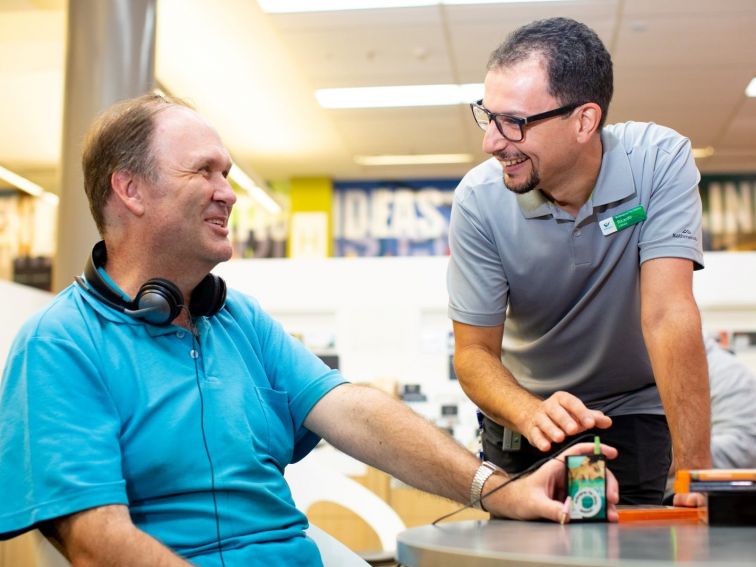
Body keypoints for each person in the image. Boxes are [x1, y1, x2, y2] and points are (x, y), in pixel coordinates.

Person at [0, 94, 619, 566]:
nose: (229, 194)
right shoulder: (59, 344)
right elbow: (95, 541)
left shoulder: (236, 318)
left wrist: (499, 489)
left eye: (228, 174)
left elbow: (353, 412)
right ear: (130, 190)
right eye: (205, 173)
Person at [447, 17, 711, 506]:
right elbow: (473, 353)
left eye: (515, 123)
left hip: (633, 412)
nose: (491, 142)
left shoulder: (659, 161)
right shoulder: (478, 201)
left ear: (584, 121)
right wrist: (530, 413)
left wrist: (693, 472)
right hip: (524, 415)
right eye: (488, 115)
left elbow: (668, 314)